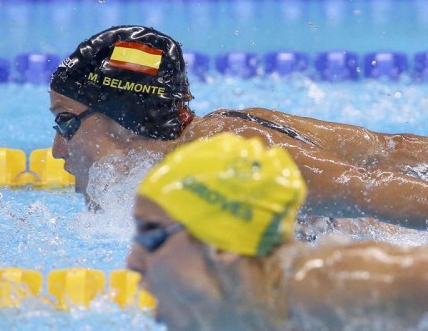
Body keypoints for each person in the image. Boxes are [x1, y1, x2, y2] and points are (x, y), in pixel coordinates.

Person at [49, 25, 428, 229]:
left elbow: (365, 188)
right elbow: (388, 150)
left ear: (123, 120)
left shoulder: (230, 156)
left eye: (66, 123)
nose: (57, 149)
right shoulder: (229, 127)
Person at [126, 133, 428, 330]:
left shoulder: (333, 286)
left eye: (151, 234)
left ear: (222, 246)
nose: (133, 261)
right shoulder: (239, 310)